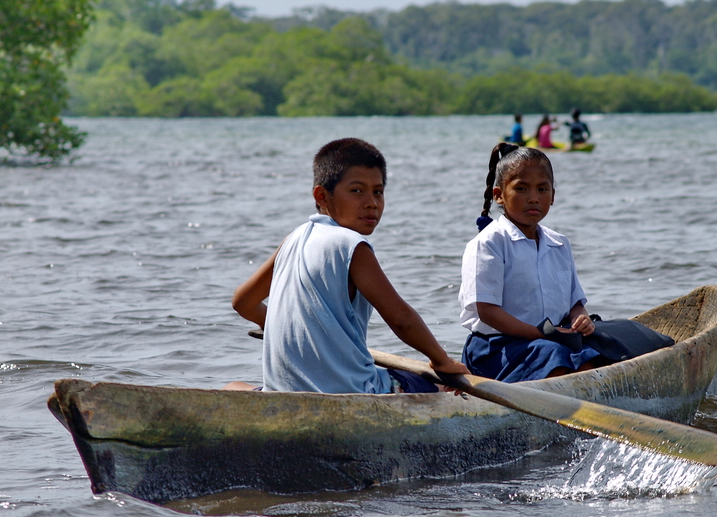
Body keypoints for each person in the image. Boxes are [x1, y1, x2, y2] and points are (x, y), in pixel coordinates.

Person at [229, 138, 468, 393]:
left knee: (233, 387)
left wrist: (286, 328)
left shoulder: (294, 238)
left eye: (378, 191)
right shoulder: (353, 245)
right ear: (322, 196)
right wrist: (443, 361)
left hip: (280, 392)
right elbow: (401, 319)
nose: (371, 203)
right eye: (357, 191)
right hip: (352, 391)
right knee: (444, 387)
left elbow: (242, 302)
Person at [459, 143, 606, 382]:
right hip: (496, 348)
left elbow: (574, 304)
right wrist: (542, 335)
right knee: (555, 360)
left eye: (542, 189)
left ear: (553, 196)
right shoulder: (490, 242)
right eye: (522, 189)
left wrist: (581, 319)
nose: (534, 198)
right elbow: (487, 312)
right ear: (499, 195)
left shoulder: (559, 243)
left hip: (552, 339)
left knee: (592, 360)